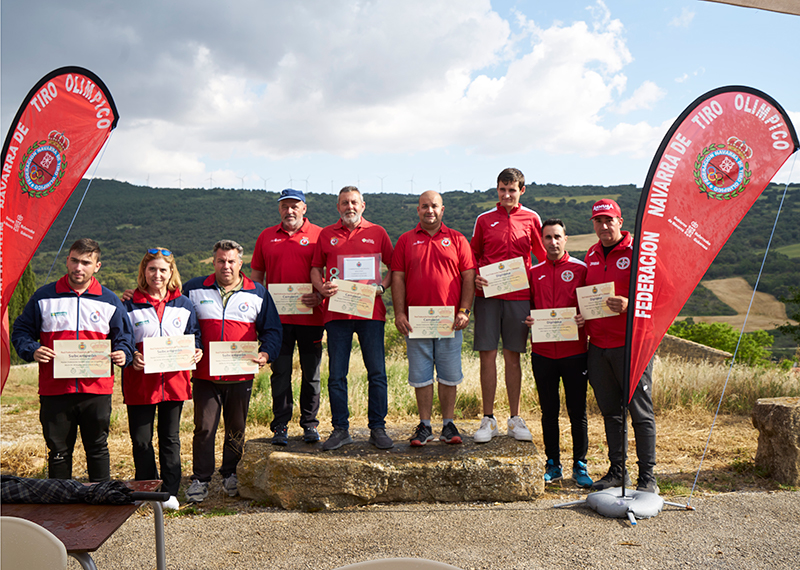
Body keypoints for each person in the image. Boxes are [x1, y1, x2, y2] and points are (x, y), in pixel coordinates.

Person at [11, 238, 134, 481]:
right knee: (58, 451)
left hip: (96, 389)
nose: (79, 267)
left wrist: (124, 354)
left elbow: (125, 338)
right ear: (67, 260)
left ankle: (100, 505)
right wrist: (33, 349)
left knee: (97, 448)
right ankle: (59, 510)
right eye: (75, 260)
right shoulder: (43, 297)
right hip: (55, 389)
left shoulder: (109, 301)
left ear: (97, 266)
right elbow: (21, 331)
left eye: (86, 262)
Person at [183, 240, 282, 503]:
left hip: (240, 373)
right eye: (220, 261)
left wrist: (265, 353)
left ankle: (231, 473)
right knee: (204, 427)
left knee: (236, 427)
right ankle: (201, 479)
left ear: (240, 263)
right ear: (213, 262)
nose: (225, 266)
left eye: (231, 261)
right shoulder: (193, 289)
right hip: (205, 374)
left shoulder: (257, 292)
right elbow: (170, 311)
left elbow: (272, 330)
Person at [311, 186, 394, 450]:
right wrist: (322, 287)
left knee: (377, 372)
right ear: (338, 207)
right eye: (345, 203)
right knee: (337, 374)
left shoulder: (378, 232)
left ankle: (378, 428)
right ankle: (340, 429)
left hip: (371, 312)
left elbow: (394, 268)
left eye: (354, 202)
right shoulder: (326, 234)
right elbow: (315, 268)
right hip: (337, 312)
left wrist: (382, 288)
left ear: (363, 205)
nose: (350, 207)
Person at [583, 199, 658, 493]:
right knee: (611, 412)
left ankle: (648, 478)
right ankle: (618, 472)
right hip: (598, 346)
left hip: (631, 345)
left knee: (640, 412)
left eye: (608, 220)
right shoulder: (590, 254)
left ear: (620, 221)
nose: (603, 226)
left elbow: (658, 297)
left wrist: (630, 305)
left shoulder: (639, 252)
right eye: (598, 221)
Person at [392, 191, 476, 446]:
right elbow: (397, 278)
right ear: (418, 210)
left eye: (434, 206)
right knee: (421, 375)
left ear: (443, 210)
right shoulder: (406, 240)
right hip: (416, 321)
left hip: (449, 321)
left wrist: (464, 310)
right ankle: (425, 425)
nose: (430, 210)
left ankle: (448, 424)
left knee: (449, 374)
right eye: (425, 206)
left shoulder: (458, 239)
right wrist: (398, 313)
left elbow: (469, 277)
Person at [122, 247, 203, 510]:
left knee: (170, 439)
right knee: (142, 440)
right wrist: (132, 354)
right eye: (152, 269)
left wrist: (197, 350)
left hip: (174, 382)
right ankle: (146, 490)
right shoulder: (128, 304)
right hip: (140, 382)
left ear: (171, 273)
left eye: (163, 270)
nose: (157, 275)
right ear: (144, 272)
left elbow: (194, 336)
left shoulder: (184, 304)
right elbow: (121, 340)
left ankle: (169, 493)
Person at [471, 168, 547, 443]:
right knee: (487, 356)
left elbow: (542, 255)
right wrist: (478, 275)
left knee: (513, 357)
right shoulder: (484, 220)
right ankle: (488, 419)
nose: (506, 195)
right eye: (502, 190)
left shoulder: (532, 218)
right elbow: (474, 255)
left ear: (521, 191)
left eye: (512, 190)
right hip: (488, 298)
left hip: (519, 297)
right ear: (497, 190)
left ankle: (515, 419)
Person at [250, 189, 324, 446]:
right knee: (280, 373)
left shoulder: (320, 235)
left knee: (311, 374)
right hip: (277, 322)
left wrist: (321, 296)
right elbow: (257, 277)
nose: (289, 211)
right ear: (279, 209)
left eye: (294, 206)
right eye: (285, 206)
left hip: (312, 318)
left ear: (304, 208)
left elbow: (329, 273)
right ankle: (280, 425)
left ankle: (309, 424)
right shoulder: (266, 236)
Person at [524, 219, 592, 488]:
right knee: (548, 412)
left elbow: (592, 306)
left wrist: (584, 318)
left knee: (578, 412)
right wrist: (529, 320)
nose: (552, 242)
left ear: (566, 239)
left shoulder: (581, 269)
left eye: (557, 237)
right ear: (541, 241)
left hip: (575, 352)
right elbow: (528, 306)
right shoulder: (534, 271)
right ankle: (553, 464)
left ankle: (580, 464)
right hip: (542, 353)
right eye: (547, 237)